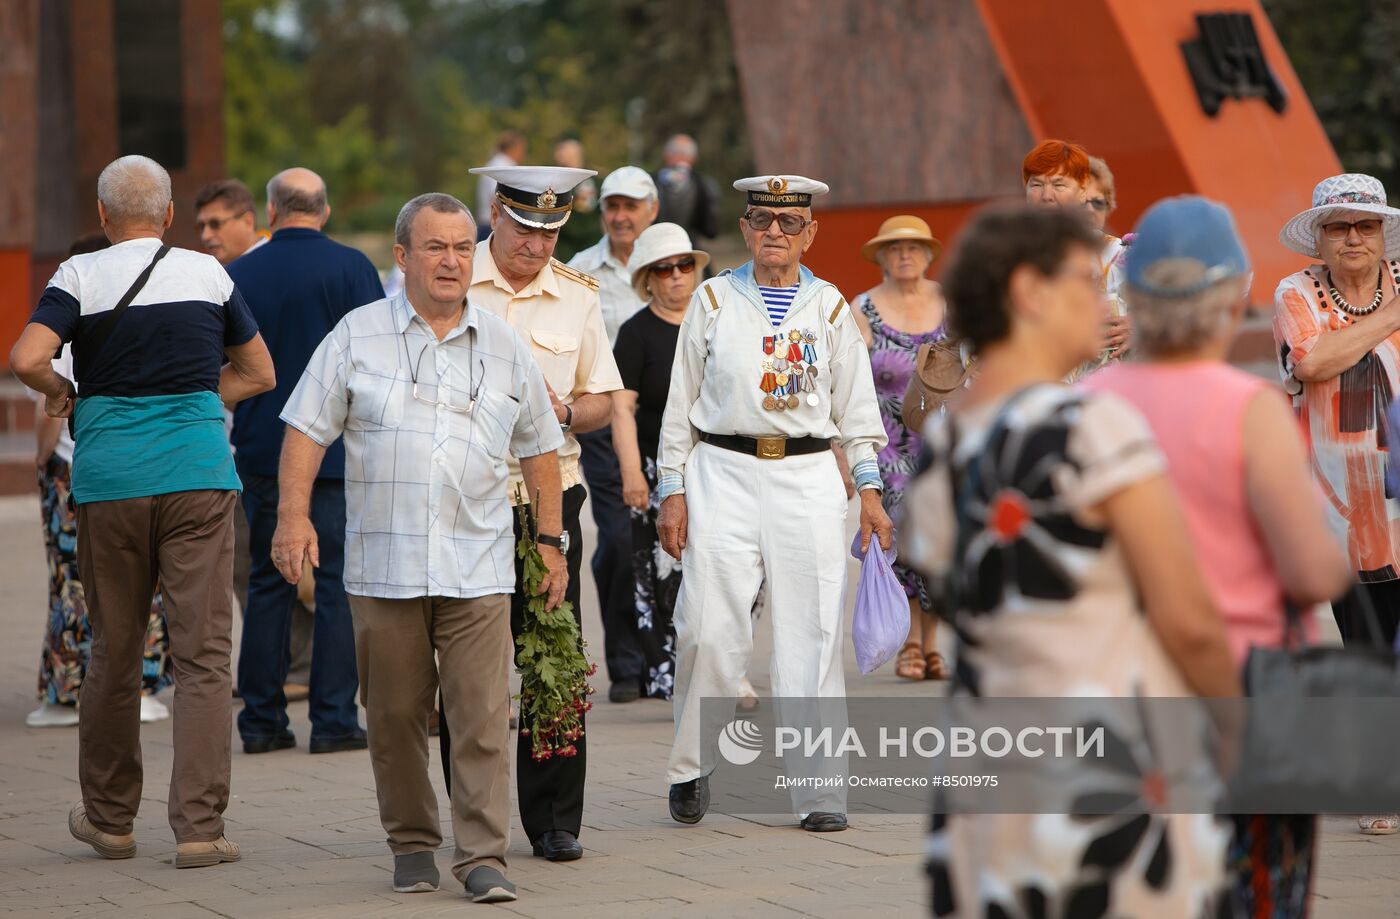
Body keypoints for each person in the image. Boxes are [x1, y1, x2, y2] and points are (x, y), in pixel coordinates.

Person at [900, 203, 1239, 916]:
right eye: (1088, 280)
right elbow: (1188, 617)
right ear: (1030, 293)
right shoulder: (1092, 427)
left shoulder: (942, 446)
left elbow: (943, 586)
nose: (1105, 297)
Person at [272, 192, 561, 904]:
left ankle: (483, 854)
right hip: (385, 565)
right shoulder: (355, 335)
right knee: (397, 716)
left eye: (463, 247)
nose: (452, 260)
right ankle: (411, 841)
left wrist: (550, 542)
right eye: (436, 247)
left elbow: (541, 448)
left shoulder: (502, 343)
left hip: (479, 563)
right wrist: (292, 517)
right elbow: (307, 429)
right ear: (401, 256)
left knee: (482, 716)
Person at [1084, 196, 1352, 912]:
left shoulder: (1081, 405)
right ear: (1235, 294)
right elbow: (1311, 568)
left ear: (1131, 296)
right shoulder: (1247, 408)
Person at [10, 154, 275, 869]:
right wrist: (193, 402)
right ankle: (198, 827)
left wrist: (66, 392)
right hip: (197, 476)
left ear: (102, 216)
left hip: (110, 481)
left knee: (115, 648)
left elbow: (27, 354)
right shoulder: (207, 273)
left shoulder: (79, 276)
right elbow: (260, 371)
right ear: (166, 216)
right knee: (203, 657)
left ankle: (109, 818)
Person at [657, 174, 892, 832]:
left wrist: (869, 493)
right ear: (744, 228)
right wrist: (671, 491)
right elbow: (679, 410)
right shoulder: (709, 301)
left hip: (809, 473)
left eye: (790, 224)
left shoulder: (831, 307)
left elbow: (858, 412)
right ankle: (690, 764)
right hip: (722, 469)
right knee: (707, 623)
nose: (775, 234)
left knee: (810, 632)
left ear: (810, 232)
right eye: (763, 220)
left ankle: (820, 789)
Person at [453, 162, 622, 862]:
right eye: (525, 228)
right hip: (467, 498)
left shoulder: (579, 297)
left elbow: (604, 400)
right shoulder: (454, 284)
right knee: (466, 665)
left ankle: (555, 817)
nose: (537, 245)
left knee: (553, 654)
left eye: (552, 231)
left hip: (551, 498)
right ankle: (473, 813)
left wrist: (565, 410)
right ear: (496, 212)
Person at [227, 167, 383, 755]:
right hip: (340, 451)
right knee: (339, 582)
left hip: (266, 449)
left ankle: (262, 723)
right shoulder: (353, 269)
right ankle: (335, 719)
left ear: (270, 211)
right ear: (325, 209)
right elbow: (377, 360)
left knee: (270, 580)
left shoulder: (238, 272)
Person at [1275, 173, 1400, 836]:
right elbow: (1316, 361)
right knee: (1368, 642)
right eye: (1339, 226)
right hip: (1341, 503)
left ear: (1382, 233)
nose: (1354, 237)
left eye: (1366, 225)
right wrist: (1390, 315)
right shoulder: (1296, 292)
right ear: (1319, 239)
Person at [25, 233, 173, 729]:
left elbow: (52, 412)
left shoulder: (68, 320)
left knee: (72, 580)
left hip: (75, 466)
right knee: (141, 580)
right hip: (139, 462)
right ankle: (141, 683)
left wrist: (43, 465)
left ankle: (68, 689)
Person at [569, 165, 660, 703]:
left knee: (669, 541)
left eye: (632, 206)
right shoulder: (582, 270)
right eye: (612, 206)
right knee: (622, 538)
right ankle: (627, 663)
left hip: (668, 422)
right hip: (605, 424)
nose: (621, 216)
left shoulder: (678, 261)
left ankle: (667, 656)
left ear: (653, 210)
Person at [612, 223, 708, 699]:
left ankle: (725, 668)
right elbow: (621, 408)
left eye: (684, 265)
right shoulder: (635, 333)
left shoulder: (715, 320)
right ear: (648, 278)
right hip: (653, 469)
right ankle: (670, 674)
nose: (675, 276)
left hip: (715, 466)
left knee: (726, 570)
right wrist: (632, 473)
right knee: (659, 573)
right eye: (663, 269)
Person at [852, 216, 949, 681]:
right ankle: (910, 641)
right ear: (882, 257)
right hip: (888, 446)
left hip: (944, 440)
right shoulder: (863, 308)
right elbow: (847, 381)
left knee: (941, 537)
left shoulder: (951, 302)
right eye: (895, 248)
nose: (905, 254)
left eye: (913, 247)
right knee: (901, 538)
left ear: (929, 254)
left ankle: (935, 643)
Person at [1022, 140, 1129, 367]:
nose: (1047, 195)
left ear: (1082, 192)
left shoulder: (1113, 255)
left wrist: (1138, 326)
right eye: (1036, 185)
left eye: (1059, 185)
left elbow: (1171, 312)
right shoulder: (1003, 254)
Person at [655, 134, 721, 265]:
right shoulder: (704, 185)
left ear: (666, 155)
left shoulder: (649, 182)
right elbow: (711, 230)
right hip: (690, 258)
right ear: (693, 159)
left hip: (654, 256)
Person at [194, 179, 266, 265]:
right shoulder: (211, 274)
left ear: (248, 222)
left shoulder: (276, 263)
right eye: (202, 226)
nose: (205, 236)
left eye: (215, 224)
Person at [552, 136, 598, 261]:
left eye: (561, 152)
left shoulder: (589, 181)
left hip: (588, 244)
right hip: (564, 245)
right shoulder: (554, 180)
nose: (557, 156)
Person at [474, 130, 528, 230]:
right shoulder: (502, 166)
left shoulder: (497, 163)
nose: (523, 154)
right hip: (495, 224)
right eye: (522, 149)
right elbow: (496, 196)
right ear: (513, 148)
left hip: (491, 223)